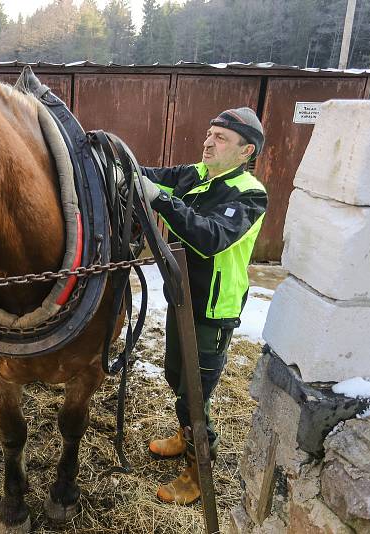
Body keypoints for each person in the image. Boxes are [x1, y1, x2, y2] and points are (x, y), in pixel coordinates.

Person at [138, 107, 268, 505]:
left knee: (196, 394)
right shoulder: (197, 174)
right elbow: (150, 175)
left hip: (212, 309)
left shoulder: (249, 194)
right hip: (183, 298)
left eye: (222, 138)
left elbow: (209, 237)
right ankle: (185, 436)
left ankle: (199, 472)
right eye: (210, 133)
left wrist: (160, 199)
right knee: (176, 375)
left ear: (246, 151)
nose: (209, 142)